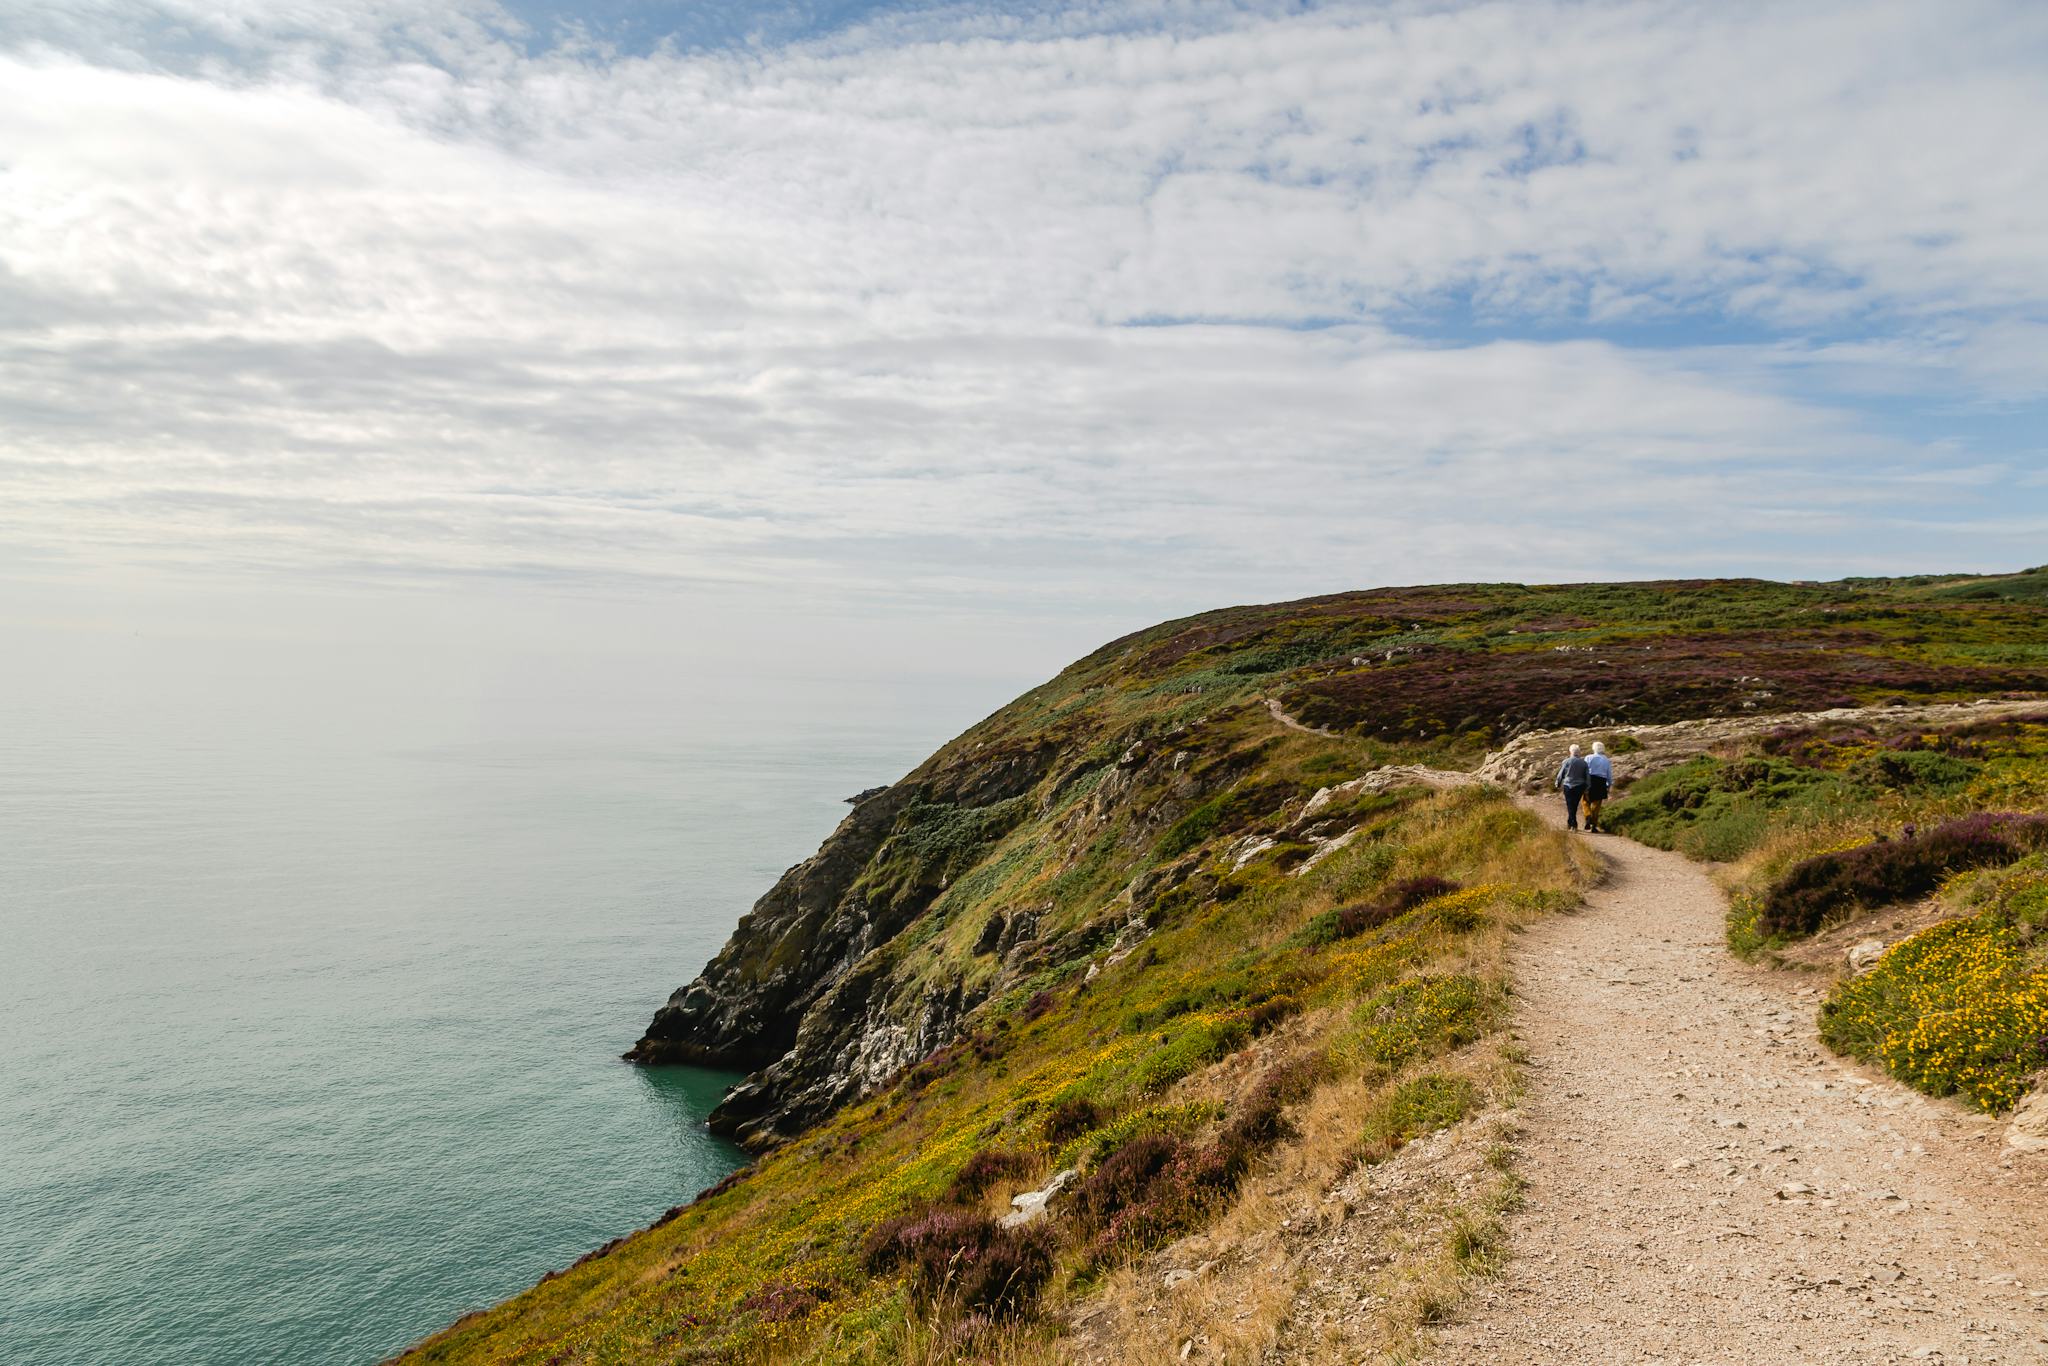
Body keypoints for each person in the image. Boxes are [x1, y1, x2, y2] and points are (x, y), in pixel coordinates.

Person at [1555, 743, 1589, 830]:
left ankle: (1573, 824)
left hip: (1568, 785)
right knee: (1574, 804)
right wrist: (1587, 787)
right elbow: (1587, 776)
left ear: (1570, 752)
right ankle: (1570, 823)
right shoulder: (1584, 763)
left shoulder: (1566, 761)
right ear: (1579, 752)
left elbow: (1561, 773)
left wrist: (1558, 782)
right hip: (1579, 786)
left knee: (1570, 804)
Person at [1583, 741, 1614, 833]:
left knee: (1585, 801)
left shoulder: (1588, 757)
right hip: (1601, 782)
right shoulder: (1606, 760)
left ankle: (1587, 815)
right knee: (1596, 805)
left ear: (1593, 748)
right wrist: (1609, 784)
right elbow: (1609, 773)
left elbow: (1585, 770)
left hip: (1590, 780)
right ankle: (1594, 825)